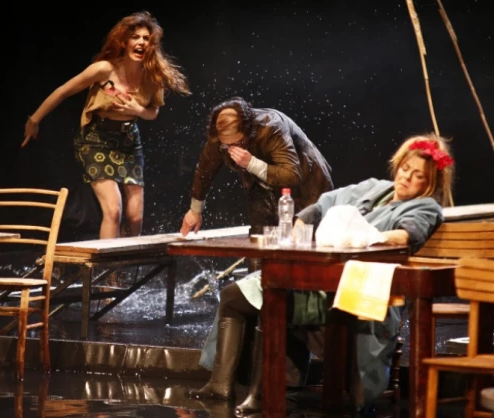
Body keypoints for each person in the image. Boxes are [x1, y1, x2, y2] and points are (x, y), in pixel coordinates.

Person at [189, 133, 454, 415]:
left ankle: (267, 393)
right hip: (320, 277)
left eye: (417, 176)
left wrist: (362, 237)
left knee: (273, 297)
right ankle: (221, 386)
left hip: (358, 290)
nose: (406, 177)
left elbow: (406, 235)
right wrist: (299, 224)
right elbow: (324, 204)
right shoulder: (376, 189)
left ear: (430, 183)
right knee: (234, 295)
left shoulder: (426, 207)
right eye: (405, 168)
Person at [22, 12, 190, 238]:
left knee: (135, 217)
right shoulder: (104, 69)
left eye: (146, 38)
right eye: (135, 37)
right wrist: (34, 120)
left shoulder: (153, 76)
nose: (141, 42)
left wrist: (138, 110)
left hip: (129, 142)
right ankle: (110, 262)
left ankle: (128, 260)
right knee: (113, 210)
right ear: (124, 41)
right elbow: (63, 91)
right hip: (95, 140)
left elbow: (153, 113)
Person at [180, 97, 333, 236]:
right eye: (227, 145)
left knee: (304, 240)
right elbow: (205, 171)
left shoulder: (271, 127)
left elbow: (291, 175)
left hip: (307, 184)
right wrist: (195, 210)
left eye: (239, 143)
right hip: (263, 185)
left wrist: (251, 163)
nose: (233, 148)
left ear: (248, 132)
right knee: (260, 238)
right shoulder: (219, 136)